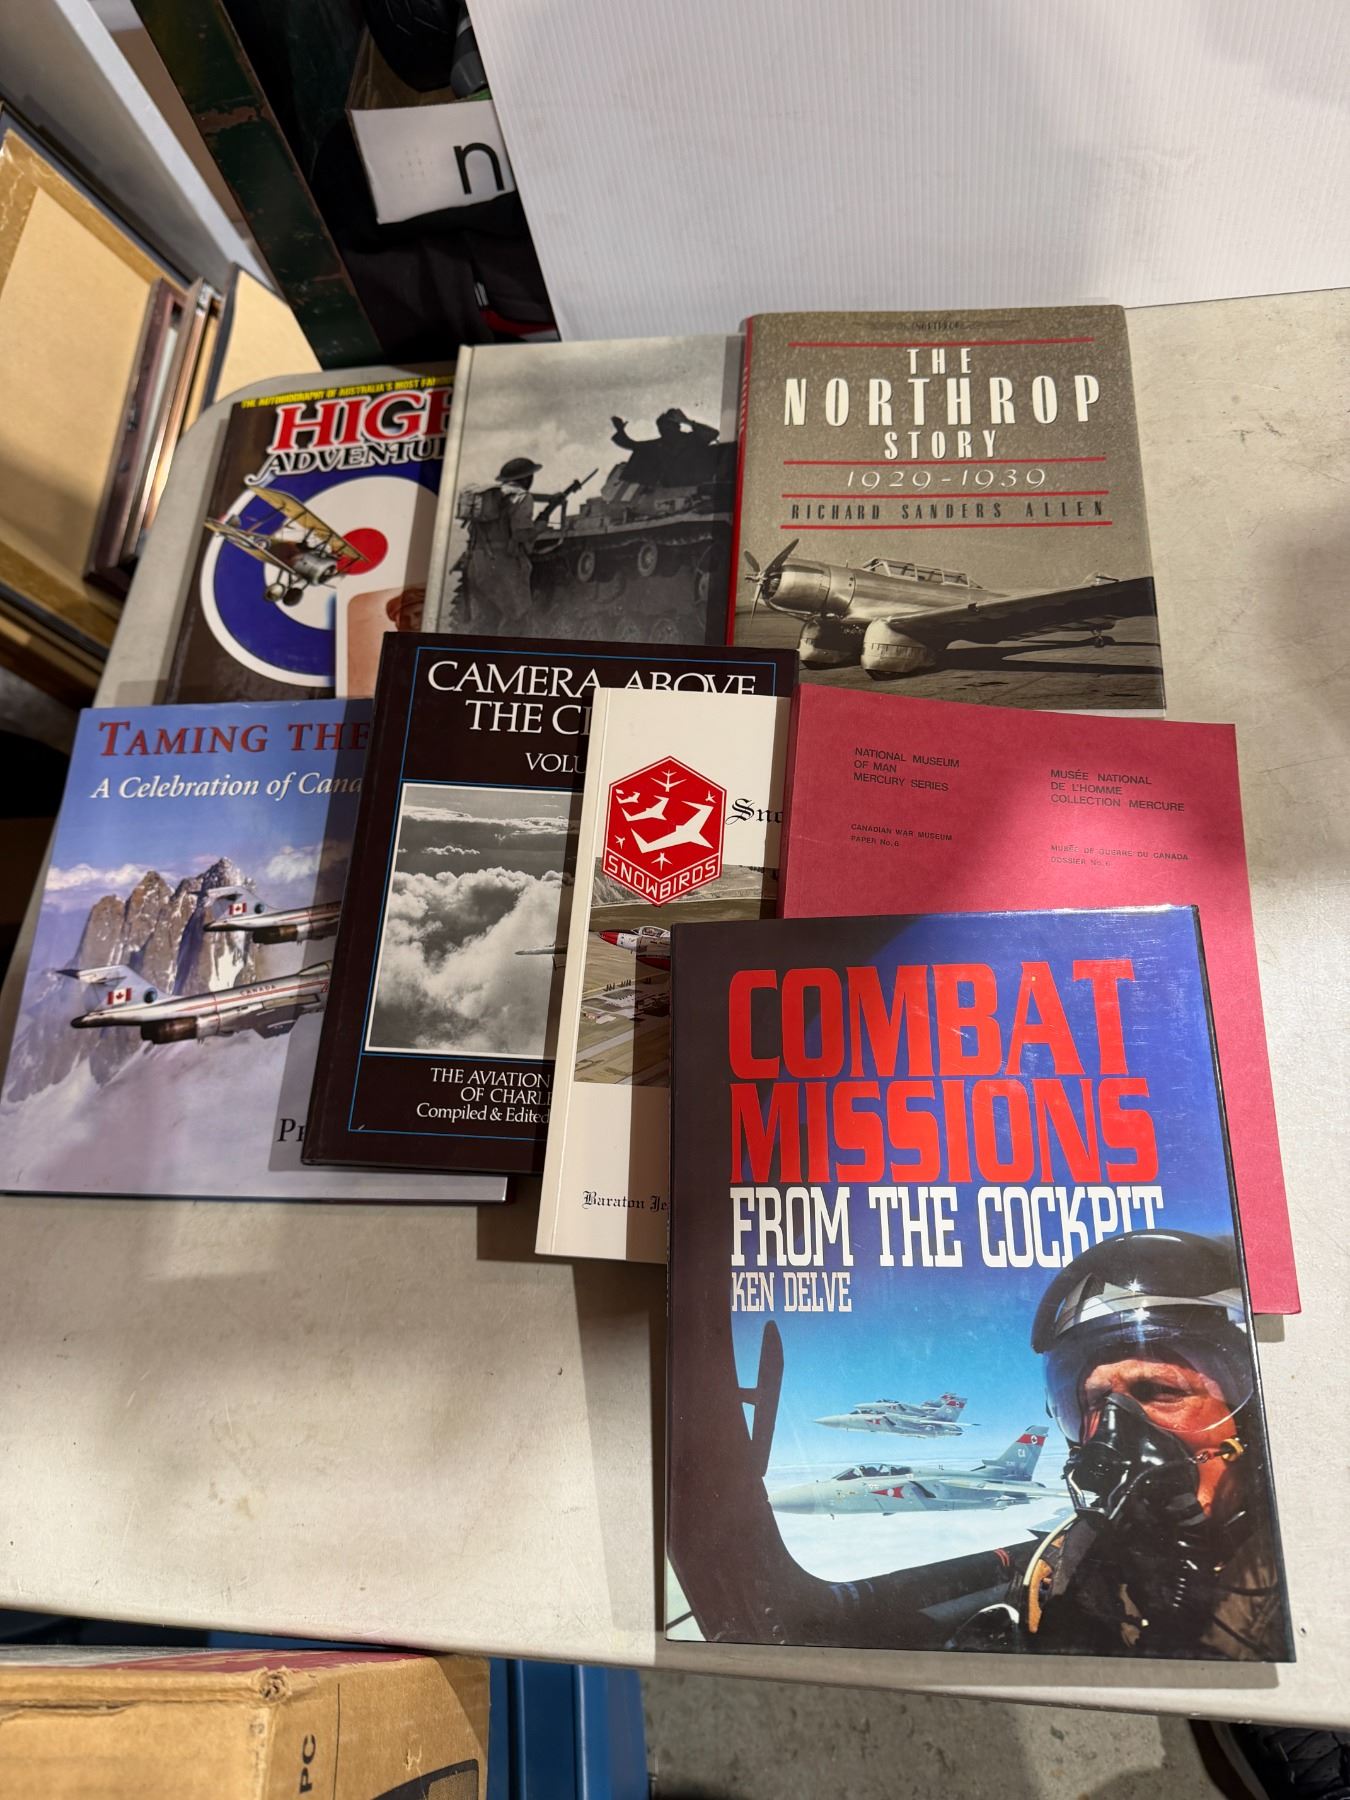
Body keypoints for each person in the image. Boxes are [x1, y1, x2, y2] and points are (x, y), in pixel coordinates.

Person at [956, 1230, 1288, 1660]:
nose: (1113, 1434)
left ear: (1250, 1424)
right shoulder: (1067, 1574)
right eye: (1094, 1403)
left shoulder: (1309, 1583)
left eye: (1161, 1390)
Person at [455, 456, 568, 630]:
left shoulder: (491, 496)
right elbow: (521, 535)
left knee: (488, 620)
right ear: (527, 479)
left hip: (475, 563)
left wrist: (549, 498)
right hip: (503, 565)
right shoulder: (523, 497)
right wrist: (539, 527)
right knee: (518, 620)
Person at [609, 408, 720, 488]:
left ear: (677, 426)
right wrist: (620, 430)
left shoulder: (692, 439)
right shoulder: (657, 445)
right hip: (671, 486)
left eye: (667, 426)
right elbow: (631, 444)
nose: (664, 430)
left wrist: (687, 421)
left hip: (698, 482)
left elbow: (713, 433)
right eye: (661, 428)